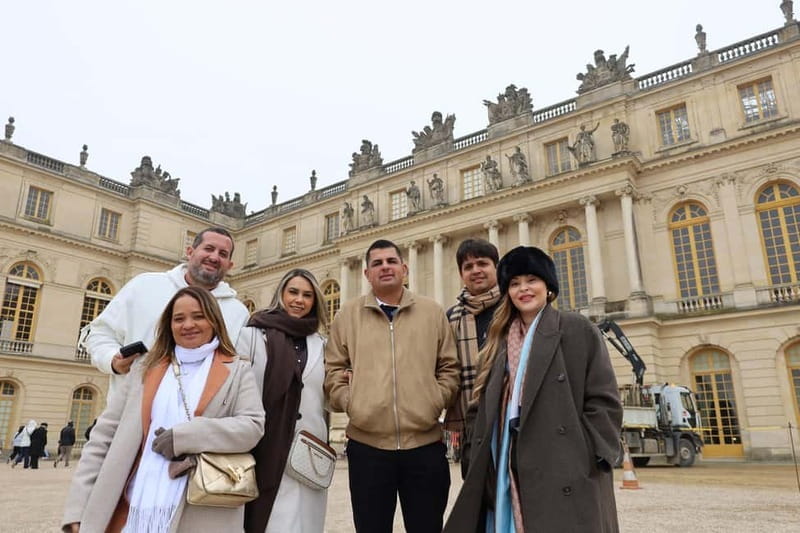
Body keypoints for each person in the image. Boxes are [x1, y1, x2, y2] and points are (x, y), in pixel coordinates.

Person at [444, 246, 623, 533]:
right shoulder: (498, 341)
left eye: (532, 280)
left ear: (548, 286)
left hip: (565, 464)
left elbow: (604, 400)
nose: (523, 289)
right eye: (514, 283)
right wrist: (472, 456)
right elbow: (480, 404)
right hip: (508, 461)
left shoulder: (576, 328)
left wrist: (590, 453)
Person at [62, 286, 265, 533]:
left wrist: (187, 436)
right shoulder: (142, 369)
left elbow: (253, 426)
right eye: (179, 318)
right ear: (169, 325)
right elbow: (102, 439)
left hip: (202, 511)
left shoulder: (238, 370)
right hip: (130, 510)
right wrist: (77, 507)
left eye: (198, 316)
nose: (188, 324)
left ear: (214, 320)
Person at [325, 239, 459, 533]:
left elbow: (449, 367)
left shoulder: (432, 312)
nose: (385, 267)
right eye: (377, 263)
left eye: (391, 261)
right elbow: (333, 369)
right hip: (367, 447)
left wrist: (435, 399)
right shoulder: (346, 315)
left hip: (424, 445)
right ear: (366, 274)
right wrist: (351, 401)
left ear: (404, 268)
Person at [82, 227, 250, 398]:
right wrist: (112, 360)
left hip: (200, 420)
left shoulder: (238, 313)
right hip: (133, 412)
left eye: (223, 254)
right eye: (208, 248)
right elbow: (99, 333)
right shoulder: (143, 286)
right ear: (190, 252)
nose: (214, 257)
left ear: (230, 266)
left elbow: (240, 370)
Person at [237, 268, 329, 533]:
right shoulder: (251, 336)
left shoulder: (322, 343)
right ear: (281, 294)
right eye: (293, 292)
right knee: (267, 521)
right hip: (264, 444)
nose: (299, 300)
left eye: (307, 295)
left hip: (308, 450)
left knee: (305, 523)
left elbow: (327, 396)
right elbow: (236, 388)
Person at [443, 239, 501, 479]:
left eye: (482, 263)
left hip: (514, 420)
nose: (476, 270)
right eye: (468, 266)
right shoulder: (451, 317)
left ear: (496, 267)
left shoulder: (515, 306)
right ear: (461, 274)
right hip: (472, 425)